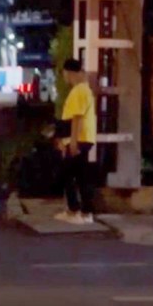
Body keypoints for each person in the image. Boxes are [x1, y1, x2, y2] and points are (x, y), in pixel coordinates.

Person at [55, 58, 98, 225]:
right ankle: (80, 211)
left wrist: (72, 142)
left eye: (65, 73)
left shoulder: (79, 91)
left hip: (79, 139)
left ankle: (81, 212)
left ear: (68, 72)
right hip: (81, 138)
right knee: (78, 176)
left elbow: (77, 118)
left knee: (69, 175)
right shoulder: (83, 90)